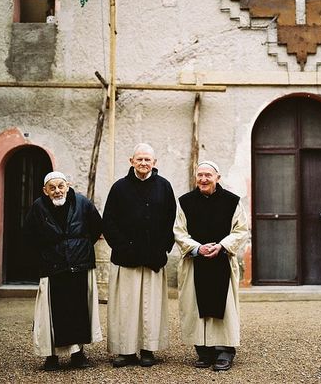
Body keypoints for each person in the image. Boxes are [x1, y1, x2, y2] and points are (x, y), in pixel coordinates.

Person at [102, 143, 176, 367]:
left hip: (153, 258)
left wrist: (162, 247)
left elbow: (171, 220)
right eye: (139, 159)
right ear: (131, 161)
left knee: (150, 307)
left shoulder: (164, 187)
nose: (144, 163)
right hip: (127, 258)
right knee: (126, 306)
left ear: (155, 163)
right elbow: (109, 222)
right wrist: (124, 247)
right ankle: (126, 351)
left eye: (148, 160)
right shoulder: (119, 188)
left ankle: (147, 350)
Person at [24, 171, 103, 371]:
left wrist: (80, 247)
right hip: (52, 267)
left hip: (78, 264)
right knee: (50, 314)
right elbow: (29, 237)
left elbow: (96, 228)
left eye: (61, 186)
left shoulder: (83, 203)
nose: (57, 191)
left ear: (67, 186)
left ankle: (78, 354)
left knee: (78, 311)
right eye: (52, 187)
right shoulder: (38, 208)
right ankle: (51, 357)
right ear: (45, 190)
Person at [174, 160, 248, 372]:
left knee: (224, 306)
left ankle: (224, 350)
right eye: (200, 175)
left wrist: (222, 246)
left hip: (222, 261)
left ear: (218, 177)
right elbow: (179, 231)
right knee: (195, 305)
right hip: (196, 262)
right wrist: (197, 248)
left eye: (208, 175)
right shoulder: (185, 202)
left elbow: (241, 230)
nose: (203, 179)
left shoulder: (232, 201)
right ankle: (204, 350)